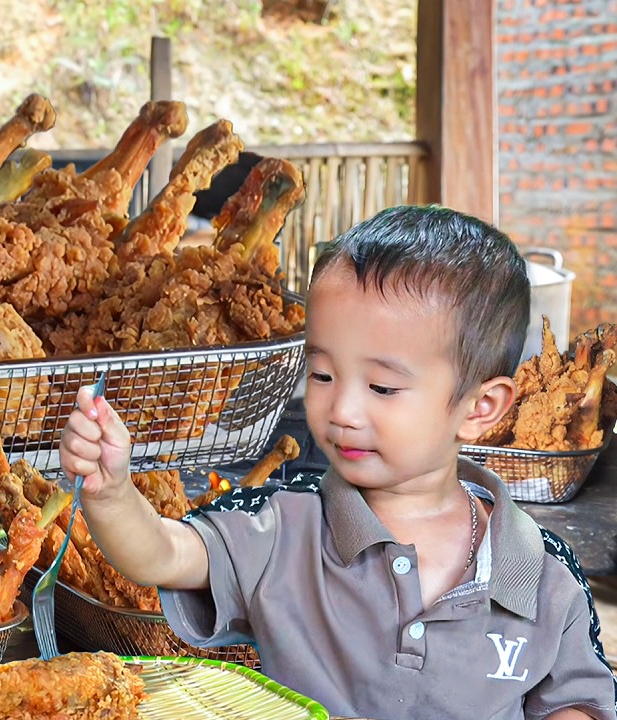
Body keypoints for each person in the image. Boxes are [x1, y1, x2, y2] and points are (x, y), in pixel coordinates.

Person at [60, 205, 616, 720]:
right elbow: (161, 554)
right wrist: (111, 493)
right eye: (323, 375)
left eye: (382, 386)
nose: (343, 409)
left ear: (480, 408)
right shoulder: (284, 528)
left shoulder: (543, 574)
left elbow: (578, 701)